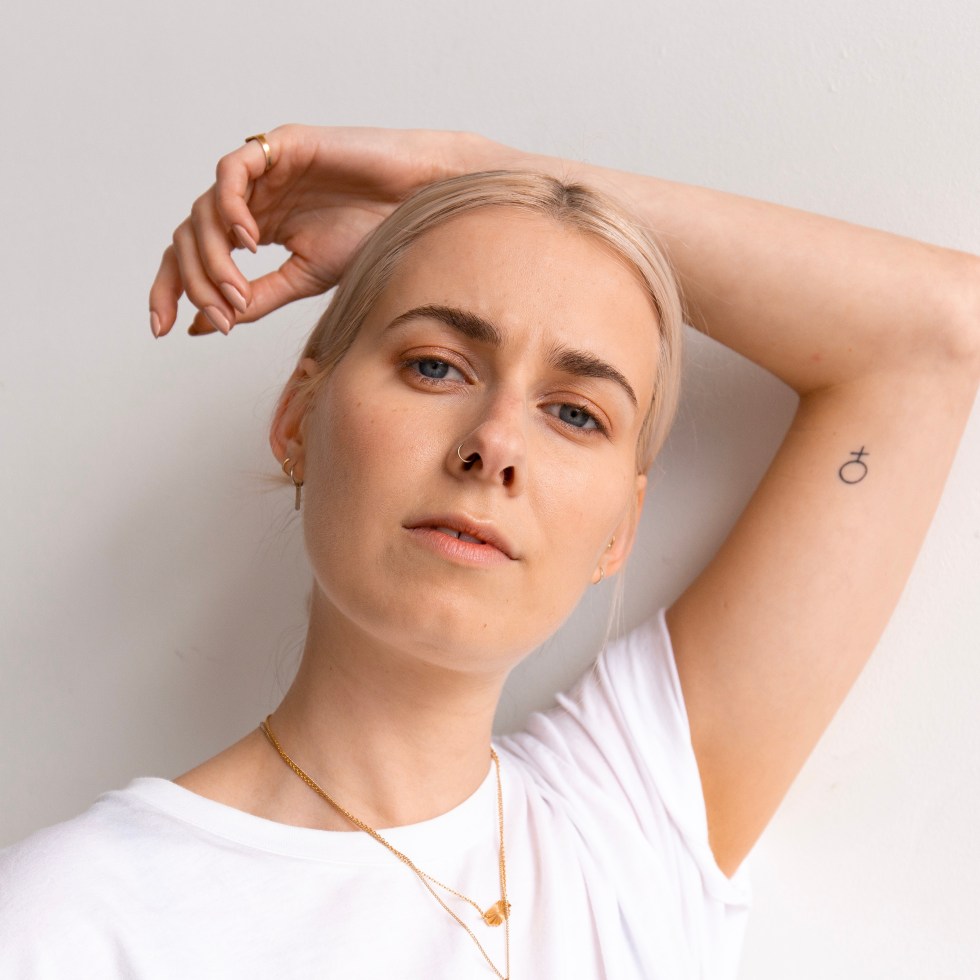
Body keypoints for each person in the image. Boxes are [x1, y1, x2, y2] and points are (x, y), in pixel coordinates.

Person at [1, 125, 977, 980]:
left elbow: (934, 333)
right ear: (298, 419)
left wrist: (466, 174)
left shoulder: (626, 837)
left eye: (575, 413)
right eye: (436, 365)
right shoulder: (72, 919)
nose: (495, 444)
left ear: (619, 530)